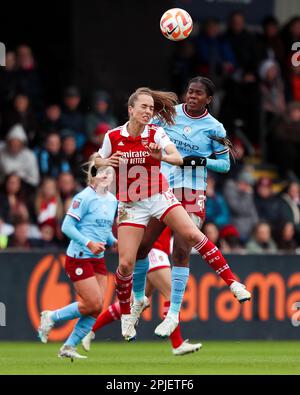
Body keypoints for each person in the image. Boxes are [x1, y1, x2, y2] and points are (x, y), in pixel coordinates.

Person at [95, 86, 251, 341]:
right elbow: (98, 160)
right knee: (136, 254)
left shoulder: (214, 128)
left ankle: (217, 290)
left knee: (184, 244)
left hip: (185, 189)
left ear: (209, 99)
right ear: (131, 110)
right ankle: (135, 305)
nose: (191, 96)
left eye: (198, 93)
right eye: (190, 91)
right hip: (138, 200)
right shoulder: (159, 119)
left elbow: (222, 164)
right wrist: (104, 163)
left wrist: (190, 159)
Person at [37, 154, 118, 360]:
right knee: (92, 302)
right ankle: (51, 316)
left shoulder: (112, 200)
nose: (107, 176)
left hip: (97, 259)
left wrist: (113, 241)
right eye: (102, 173)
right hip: (79, 257)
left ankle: (68, 346)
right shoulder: (83, 197)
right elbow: (66, 227)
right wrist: (88, 242)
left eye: (109, 172)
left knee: (97, 306)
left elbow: (104, 228)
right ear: (93, 176)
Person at [82, 227, 202, 356]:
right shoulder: (161, 207)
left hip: (157, 251)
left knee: (132, 302)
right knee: (172, 294)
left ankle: (90, 330)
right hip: (154, 251)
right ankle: (177, 344)